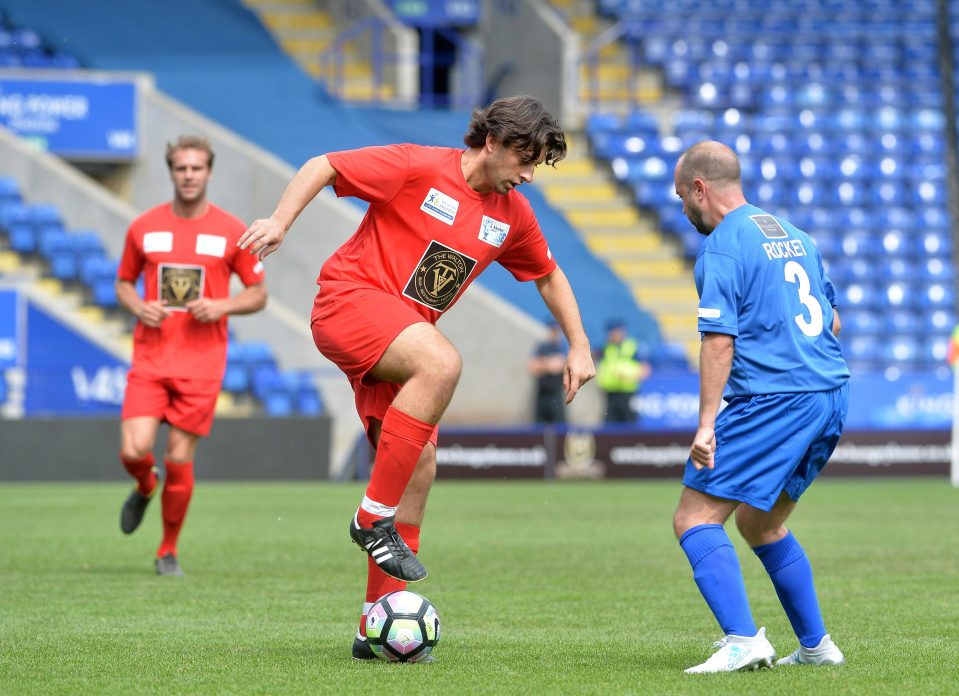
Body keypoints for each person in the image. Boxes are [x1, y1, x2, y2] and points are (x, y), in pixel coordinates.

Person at [238, 95, 595, 660]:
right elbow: (324, 164)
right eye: (526, 159)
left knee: (421, 466)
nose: (530, 175)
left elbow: (548, 275)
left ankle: (375, 624)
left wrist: (578, 343)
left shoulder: (511, 217)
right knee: (443, 362)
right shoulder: (417, 165)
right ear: (495, 141)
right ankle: (369, 517)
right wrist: (280, 222)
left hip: (401, 339)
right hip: (350, 303)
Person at [670, 141, 850, 673]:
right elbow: (832, 323)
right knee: (760, 522)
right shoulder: (795, 237)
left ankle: (743, 640)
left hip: (778, 398)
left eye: (683, 196)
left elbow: (718, 339)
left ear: (701, 188)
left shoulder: (724, 246)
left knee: (694, 517)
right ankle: (817, 647)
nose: (683, 208)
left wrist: (707, 424)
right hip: (831, 395)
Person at [116, 135, 268, 577]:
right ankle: (145, 485)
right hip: (151, 359)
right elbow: (123, 282)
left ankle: (167, 551)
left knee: (179, 458)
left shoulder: (229, 230)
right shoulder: (143, 227)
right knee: (133, 449)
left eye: (196, 168)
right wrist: (137, 305)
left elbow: (258, 294)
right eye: (181, 168)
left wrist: (223, 305)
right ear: (171, 172)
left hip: (202, 365)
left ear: (209, 172)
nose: (188, 175)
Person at [595, 319, 650, 424]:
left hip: (628, 392)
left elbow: (645, 370)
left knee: (630, 421)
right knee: (610, 423)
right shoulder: (605, 348)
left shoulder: (633, 347)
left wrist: (630, 377)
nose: (615, 335)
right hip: (610, 392)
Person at [527, 319, 567, 424]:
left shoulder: (563, 347)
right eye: (552, 330)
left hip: (556, 394)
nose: (554, 333)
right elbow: (532, 367)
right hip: (542, 394)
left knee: (559, 428)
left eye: (556, 330)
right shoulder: (542, 347)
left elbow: (558, 367)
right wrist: (550, 363)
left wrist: (542, 362)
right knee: (539, 428)